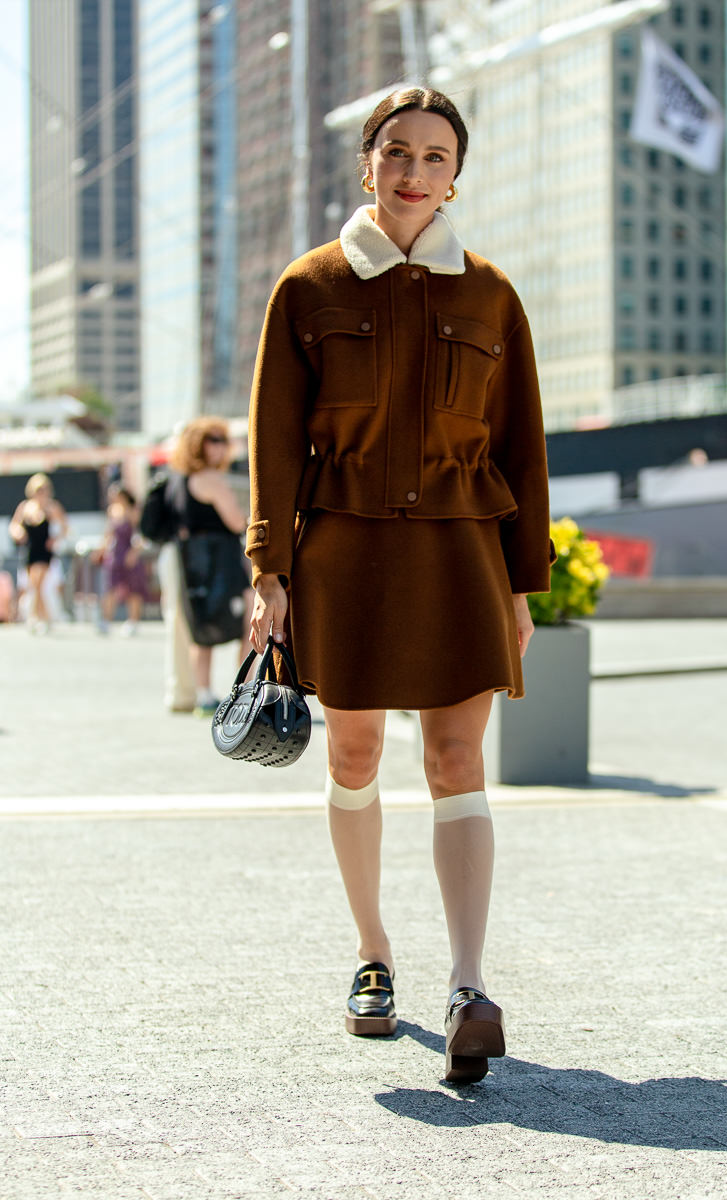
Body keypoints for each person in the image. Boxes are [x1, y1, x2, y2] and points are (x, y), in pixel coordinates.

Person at [246, 87, 554, 1084]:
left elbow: (522, 446)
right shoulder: (308, 286)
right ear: (366, 163)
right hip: (341, 549)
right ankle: (373, 956)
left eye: (433, 154)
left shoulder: (490, 294)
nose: (414, 169)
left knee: (458, 759)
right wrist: (268, 572)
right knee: (354, 745)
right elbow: (273, 445)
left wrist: (522, 584)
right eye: (395, 150)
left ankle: (468, 983)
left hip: (463, 551)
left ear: (454, 173)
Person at [166, 418, 254, 717]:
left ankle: (204, 695)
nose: (221, 446)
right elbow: (234, 521)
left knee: (199, 629)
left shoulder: (179, 479)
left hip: (191, 561)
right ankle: (243, 691)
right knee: (252, 620)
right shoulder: (212, 479)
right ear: (198, 445)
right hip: (220, 559)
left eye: (222, 440)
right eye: (213, 440)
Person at [9, 473, 69, 634]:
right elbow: (14, 525)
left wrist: (55, 539)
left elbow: (65, 526)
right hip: (30, 550)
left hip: (44, 551)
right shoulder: (25, 507)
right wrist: (18, 533)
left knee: (38, 583)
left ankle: (36, 616)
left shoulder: (52, 507)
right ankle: (42, 617)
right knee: (34, 586)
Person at [95, 487, 148, 635]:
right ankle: (106, 620)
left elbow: (141, 535)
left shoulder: (133, 511)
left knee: (133, 589)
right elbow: (108, 535)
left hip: (129, 555)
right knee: (110, 588)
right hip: (115, 556)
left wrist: (134, 552)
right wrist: (101, 550)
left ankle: (133, 621)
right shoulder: (113, 511)